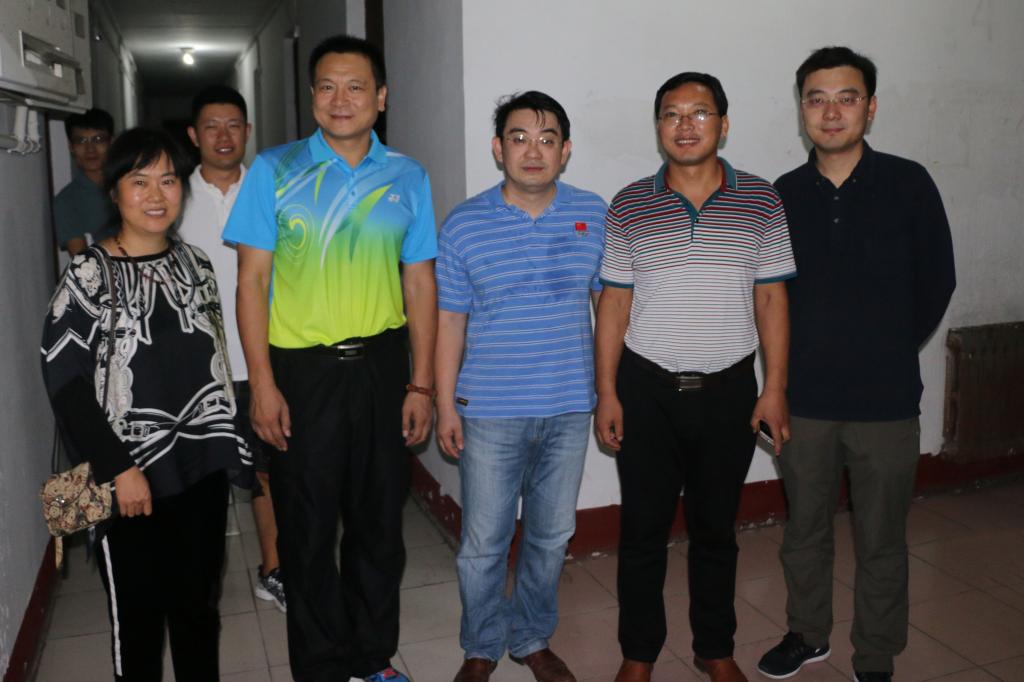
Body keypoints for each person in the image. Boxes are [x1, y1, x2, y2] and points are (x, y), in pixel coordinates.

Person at [222, 34, 437, 682]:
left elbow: (419, 282)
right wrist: (262, 384)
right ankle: (319, 666)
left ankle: (373, 658)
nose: (340, 99)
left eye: (355, 86)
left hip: (381, 366)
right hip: (301, 371)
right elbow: (252, 283)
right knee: (307, 528)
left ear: (381, 97)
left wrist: (421, 384)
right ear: (312, 95)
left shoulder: (408, 175)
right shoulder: (274, 170)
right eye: (326, 86)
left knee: (380, 524)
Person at [756, 47, 956, 682]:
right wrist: (778, 382)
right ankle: (807, 633)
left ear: (870, 108)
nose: (831, 112)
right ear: (802, 111)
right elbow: (767, 296)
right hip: (804, 401)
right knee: (804, 531)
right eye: (816, 99)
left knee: (881, 538)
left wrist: (887, 345)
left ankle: (875, 654)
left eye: (846, 98)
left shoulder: (909, 183)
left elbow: (938, 281)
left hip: (886, 401)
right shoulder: (782, 195)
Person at [594, 72, 796, 682]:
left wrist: (774, 388)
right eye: (672, 114)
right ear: (658, 126)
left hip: (728, 391)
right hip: (646, 389)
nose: (685, 125)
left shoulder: (761, 200)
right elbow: (614, 304)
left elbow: (771, 299)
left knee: (716, 530)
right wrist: (607, 391)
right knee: (642, 531)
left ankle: (715, 648)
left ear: (723, 125)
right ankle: (638, 654)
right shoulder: (629, 203)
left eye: (699, 113)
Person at [41, 127, 253, 681]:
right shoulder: (87, 276)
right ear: (115, 192)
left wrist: (229, 447)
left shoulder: (196, 264)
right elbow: (65, 383)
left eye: (168, 180)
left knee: (199, 610)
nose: (157, 195)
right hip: (130, 480)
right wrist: (120, 469)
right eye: (140, 181)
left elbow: (211, 367)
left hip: (202, 471)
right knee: (138, 625)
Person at [436, 91, 607, 682]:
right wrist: (445, 405)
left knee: (551, 534)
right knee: (484, 540)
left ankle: (532, 637)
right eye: (519, 138)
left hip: (568, 408)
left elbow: (609, 310)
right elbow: (450, 322)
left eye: (547, 139)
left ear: (565, 150)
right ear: (497, 148)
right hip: (490, 410)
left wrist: (611, 391)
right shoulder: (464, 224)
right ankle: (481, 645)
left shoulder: (593, 213)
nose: (533, 151)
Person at [177, 84, 286, 612]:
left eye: (234, 125)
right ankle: (196, 585)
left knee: (268, 472)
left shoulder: (271, 190)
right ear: (193, 135)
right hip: (193, 370)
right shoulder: (172, 196)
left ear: (248, 131)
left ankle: (275, 570)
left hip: (259, 361)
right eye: (212, 126)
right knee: (198, 480)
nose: (224, 136)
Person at [53, 108, 118, 254]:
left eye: (98, 139)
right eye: (81, 141)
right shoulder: (67, 201)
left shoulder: (131, 185)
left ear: (112, 142)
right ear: (71, 147)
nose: (90, 149)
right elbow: (82, 260)